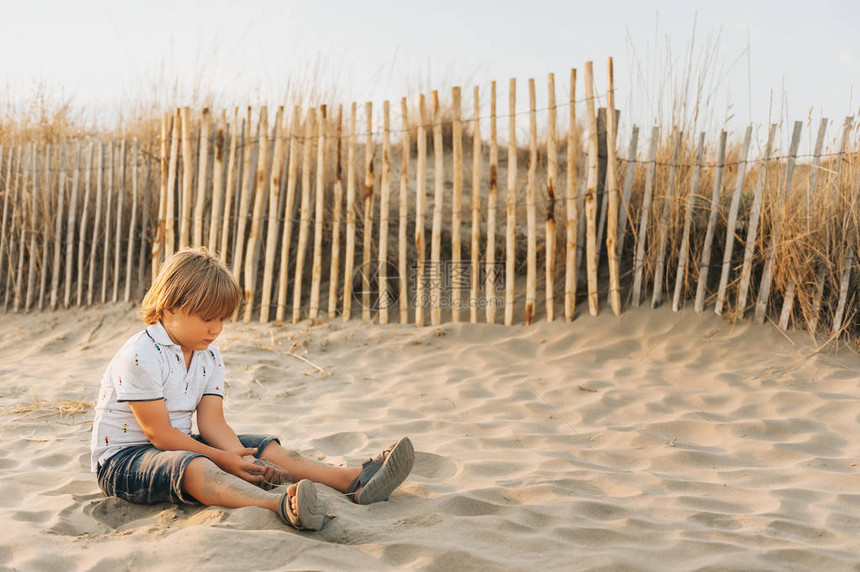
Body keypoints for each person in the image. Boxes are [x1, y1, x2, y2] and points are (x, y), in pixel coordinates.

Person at [90, 247, 414, 531]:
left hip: (179, 445)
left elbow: (212, 423)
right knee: (197, 466)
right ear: (170, 306)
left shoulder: (209, 355)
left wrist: (237, 459)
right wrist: (221, 459)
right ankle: (279, 507)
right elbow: (160, 435)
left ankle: (351, 480)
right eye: (206, 318)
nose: (216, 329)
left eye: (222, 319)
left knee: (263, 448)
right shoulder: (141, 354)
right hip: (124, 461)